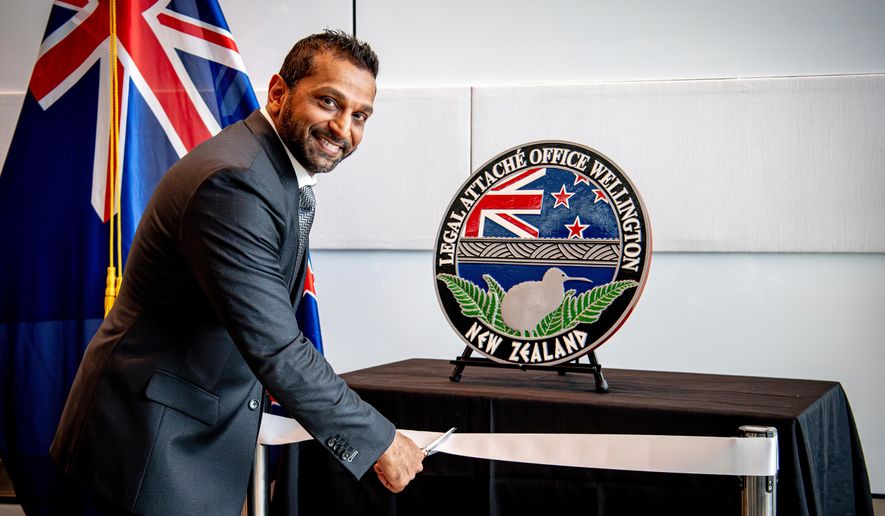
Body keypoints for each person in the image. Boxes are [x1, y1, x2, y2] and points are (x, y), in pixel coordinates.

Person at [50, 30, 424, 515]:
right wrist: (379, 440)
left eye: (360, 116)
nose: (343, 129)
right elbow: (275, 346)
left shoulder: (269, 170)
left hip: (180, 437)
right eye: (329, 102)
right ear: (278, 93)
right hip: (146, 450)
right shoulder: (237, 184)